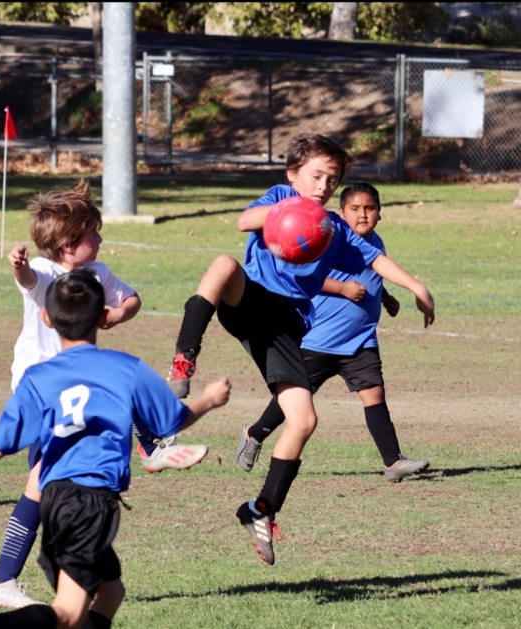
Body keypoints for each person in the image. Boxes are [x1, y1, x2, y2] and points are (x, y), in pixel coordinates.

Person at [166, 133, 435, 566]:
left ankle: (261, 509)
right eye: (316, 176)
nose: (323, 186)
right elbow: (243, 221)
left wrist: (417, 287)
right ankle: (184, 358)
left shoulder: (337, 229)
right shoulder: (280, 196)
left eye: (332, 180)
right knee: (223, 265)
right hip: (250, 298)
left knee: (304, 419)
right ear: (293, 174)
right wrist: (288, 212)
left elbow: (374, 260)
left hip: (286, 326)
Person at [0, 269, 231, 629]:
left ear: (46, 318)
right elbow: (170, 422)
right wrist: (209, 400)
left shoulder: (39, 377)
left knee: (110, 594)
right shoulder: (125, 368)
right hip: (90, 501)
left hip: (55, 498)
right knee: (68, 612)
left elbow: (5, 439)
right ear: (106, 317)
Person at [0, 179, 208, 609]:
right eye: (92, 234)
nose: (100, 238)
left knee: (49, 475)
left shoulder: (98, 274)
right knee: (45, 477)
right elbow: (28, 278)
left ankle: (21, 578)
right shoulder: (48, 273)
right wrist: (18, 265)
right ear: (67, 245)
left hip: (77, 385)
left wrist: (117, 314)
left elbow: (133, 299)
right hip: (44, 388)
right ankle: (5, 578)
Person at [235, 181, 429, 483]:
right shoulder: (322, 238)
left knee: (374, 392)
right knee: (295, 398)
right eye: (354, 209)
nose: (362, 215)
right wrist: (342, 288)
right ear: (340, 212)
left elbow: (373, 272)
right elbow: (307, 277)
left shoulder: (376, 244)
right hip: (321, 339)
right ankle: (254, 432)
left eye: (370, 209)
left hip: (361, 339)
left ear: (380, 214)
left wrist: (386, 296)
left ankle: (392, 461)